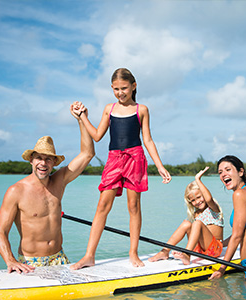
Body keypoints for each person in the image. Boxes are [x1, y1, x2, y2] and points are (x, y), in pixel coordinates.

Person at [71, 68, 171, 269]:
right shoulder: (109, 108)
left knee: (133, 207)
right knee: (102, 206)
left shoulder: (141, 109)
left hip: (135, 158)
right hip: (114, 159)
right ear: (111, 88)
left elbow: (148, 140)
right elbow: (97, 135)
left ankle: (133, 253)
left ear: (133, 86)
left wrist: (159, 166)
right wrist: (82, 117)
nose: (120, 93)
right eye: (116, 89)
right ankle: (89, 255)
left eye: (124, 88)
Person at [0, 102, 94, 273]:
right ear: (31, 160)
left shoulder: (59, 181)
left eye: (48, 159)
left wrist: (81, 120)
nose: (43, 163)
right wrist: (10, 260)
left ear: (54, 162)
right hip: (31, 262)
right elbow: (0, 232)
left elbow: (87, 154)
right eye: (39, 158)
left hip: (59, 257)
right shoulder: (16, 191)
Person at [148, 167, 224, 264]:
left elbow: (209, 199)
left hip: (215, 250)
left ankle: (187, 254)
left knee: (197, 224)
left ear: (204, 194)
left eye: (199, 197)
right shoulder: (196, 214)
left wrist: (198, 180)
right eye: (193, 200)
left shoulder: (213, 209)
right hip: (200, 250)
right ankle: (164, 251)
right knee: (186, 223)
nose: (197, 202)